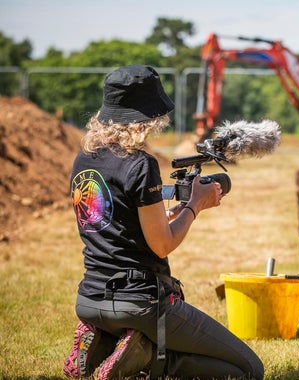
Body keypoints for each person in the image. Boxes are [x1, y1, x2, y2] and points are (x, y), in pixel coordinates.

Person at [63, 64, 264, 379]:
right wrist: (195, 206)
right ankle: (146, 359)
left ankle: (108, 341)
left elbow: (124, 223)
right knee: (249, 369)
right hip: (139, 302)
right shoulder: (140, 164)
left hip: (91, 297)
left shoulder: (84, 159)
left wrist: (179, 209)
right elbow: (161, 244)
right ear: (147, 117)